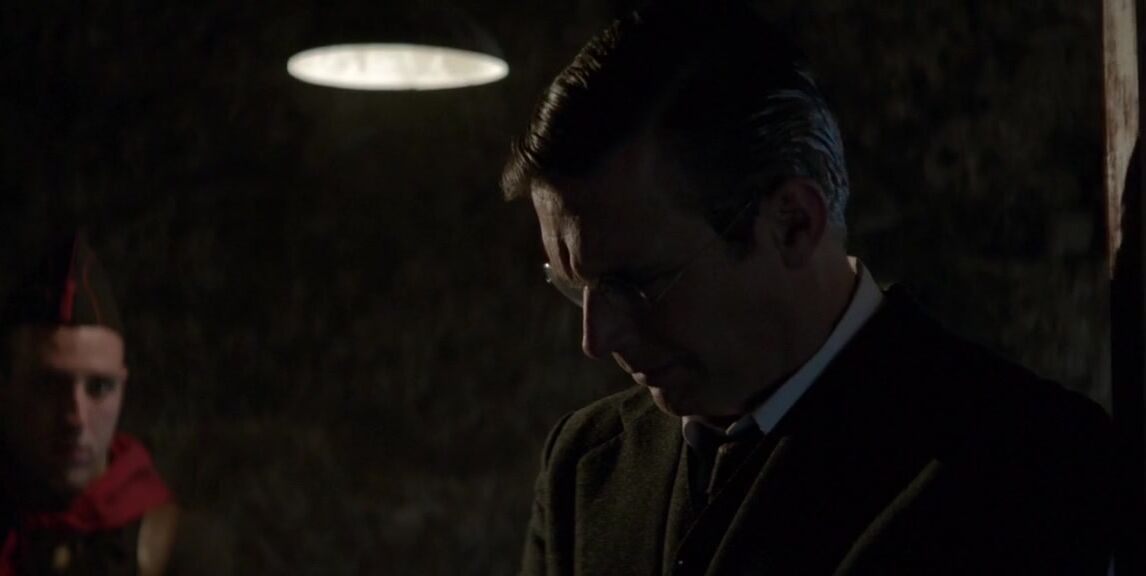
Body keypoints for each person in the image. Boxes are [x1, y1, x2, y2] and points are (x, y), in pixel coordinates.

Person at [502, 2, 1122, 574]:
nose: (596, 337)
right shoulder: (585, 465)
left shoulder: (1026, 462)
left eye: (636, 283)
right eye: (572, 283)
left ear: (793, 224)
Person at [0, 232, 179, 576]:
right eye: (49, 385)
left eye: (99, 387)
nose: (75, 417)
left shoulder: (171, 547)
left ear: (122, 388)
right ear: (7, 388)